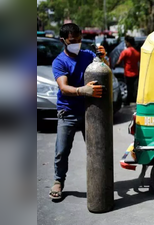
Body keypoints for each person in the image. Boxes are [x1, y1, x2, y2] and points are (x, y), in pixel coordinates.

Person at [49, 23, 109, 200]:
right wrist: (82, 90)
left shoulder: (88, 55)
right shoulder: (60, 61)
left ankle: (101, 181)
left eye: (80, 40)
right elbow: (64, 87)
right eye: (73, 41)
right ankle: (58, 182)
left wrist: (103, 58)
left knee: (97, 148)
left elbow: (103, 70)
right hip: (67, 112)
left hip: (90, 111)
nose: (77, 44)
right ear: (63, 41)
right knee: (62, 150)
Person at [113, 36, 140, 105]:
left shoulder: (125, 52)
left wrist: (114, 66)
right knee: (134, 87)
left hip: (128, 73)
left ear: (128, 42)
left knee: (128, 87)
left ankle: (127, 101)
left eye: (126, 42)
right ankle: (134, 100)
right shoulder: (137, 52)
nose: (125, 44)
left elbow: (119, 62)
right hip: (135, 73)